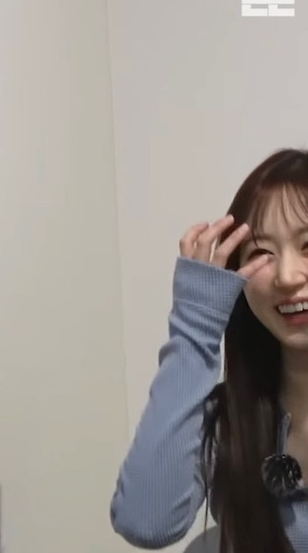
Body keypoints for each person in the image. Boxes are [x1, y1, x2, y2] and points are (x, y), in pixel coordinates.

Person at [110, 148, 308, 552]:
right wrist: (195, 325)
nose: (287, 276)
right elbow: (145, 521)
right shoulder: (229, 420)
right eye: (262, 253)